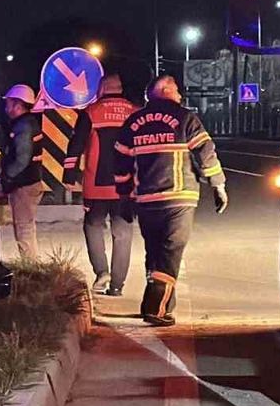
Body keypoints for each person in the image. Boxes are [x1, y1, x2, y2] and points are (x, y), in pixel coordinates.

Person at [114, 74, 228, 326]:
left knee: (155, 252)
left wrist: (124, 196)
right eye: (176, 89)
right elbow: (205, 152)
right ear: (164, 91)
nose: (180, 94)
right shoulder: (185, 118)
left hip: (145, 199)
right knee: (170, 252)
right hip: (179, 197)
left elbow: (121, 163)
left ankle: (158, 304)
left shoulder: (133, 123)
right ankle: (155, 309)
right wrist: (217, 184)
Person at [64, 75, 137, 295]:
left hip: (97, 186)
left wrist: (69, 175)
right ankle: (117, 285)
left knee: (93, 226)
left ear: (102, 89)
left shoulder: (91, 112)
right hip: (127, 186)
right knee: (123, 233)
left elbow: (76, 145)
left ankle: (102, 272)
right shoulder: (135, 112)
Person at [0, 84, 43, 258]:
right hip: (29, 181)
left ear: (18, 105)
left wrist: (8, 177)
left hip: (24, 184)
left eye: (9, 103)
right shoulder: (28, 123)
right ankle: (32, 265)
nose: (6, 108)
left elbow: (22, 159)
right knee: (26, 227)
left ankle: (30, 267)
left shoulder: (23, 126)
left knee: (24, 229)